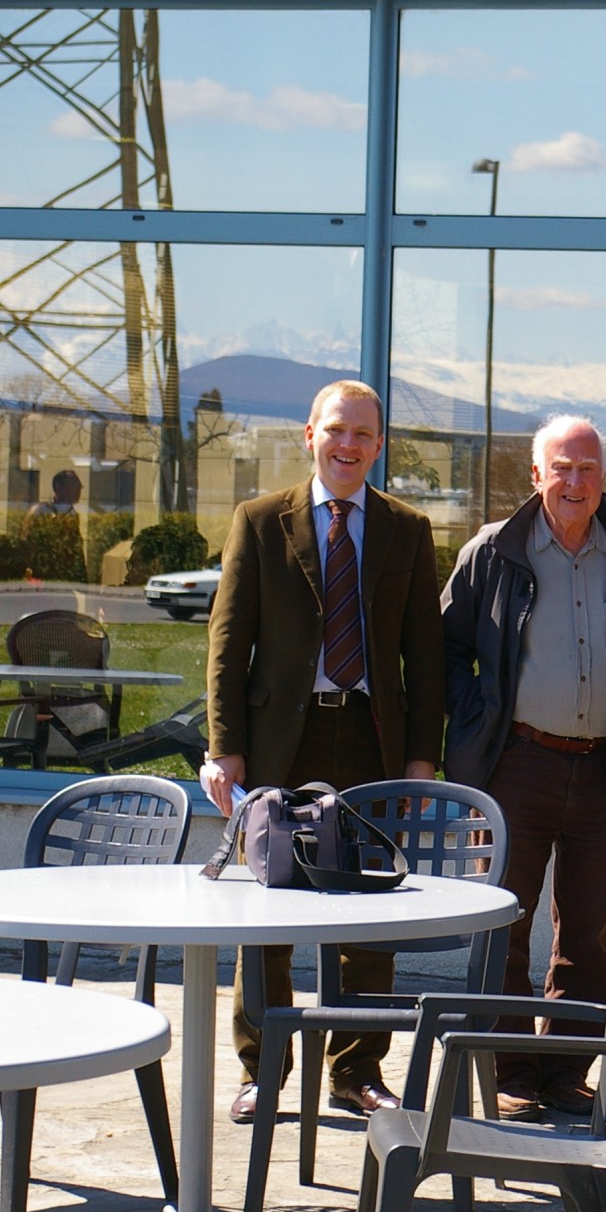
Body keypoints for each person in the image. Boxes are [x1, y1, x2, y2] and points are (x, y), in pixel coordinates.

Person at [203, 379, 446, 1124]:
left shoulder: (407, 529)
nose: (349, 446)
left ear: (380, 446)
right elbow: (227, 640)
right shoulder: (258, 520)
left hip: (371, 737)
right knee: (265, 915)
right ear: (309, 434)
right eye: (336, 430)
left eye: (364, 435)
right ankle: (263, 1070)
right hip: (283, 737)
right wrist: (225, 748)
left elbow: (424, 656)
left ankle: (356, 1071)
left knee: (370, 917)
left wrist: (421, 759)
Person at [440, 415, 606, 1123]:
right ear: (535, 474)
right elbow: (445, 649)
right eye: (562, 469)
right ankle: (510, 1070)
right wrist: (479, 721)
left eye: (588, 470)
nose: (575, 483)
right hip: (518, 765)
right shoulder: (495, 551)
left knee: (589, 938)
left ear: (604, 478)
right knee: (503, 925)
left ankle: (566, 1071)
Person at [23, 468, 85, 583]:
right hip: (41, 576)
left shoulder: (73, 514)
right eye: (73, 487)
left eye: (78, 487)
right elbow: (27, 543)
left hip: (64, 577)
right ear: (59, 488)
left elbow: (75, 547)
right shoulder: (40, 511)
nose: (78, 491)